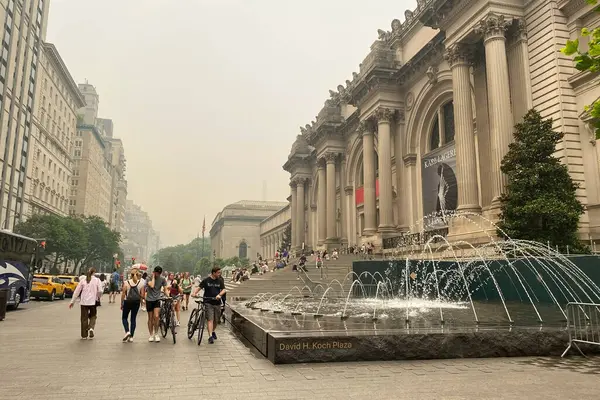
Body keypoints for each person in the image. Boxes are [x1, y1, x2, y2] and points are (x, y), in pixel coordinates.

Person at [69, 267, 103, 340]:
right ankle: (91, 328)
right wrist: (98, 297)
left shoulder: (83, 280)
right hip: (93, 302)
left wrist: (72, 301)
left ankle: (84, 335)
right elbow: (100, 291)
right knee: (93, 316)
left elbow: (77, 291)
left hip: (84, 302)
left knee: (84, 318)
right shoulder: (97, 280)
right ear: (94, 272)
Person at [199, 266, 226, 344]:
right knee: (210, 319)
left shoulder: (220, 280)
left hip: (217, 303)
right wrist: (194, 293)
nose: (219, 274)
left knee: (216, 320)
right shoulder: (206, 280)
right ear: (213, 273)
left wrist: (219, 295)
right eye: (218, 273)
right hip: (208, 302)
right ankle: (210, 336)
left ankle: (213, 331)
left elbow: (224, 289)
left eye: (220, 272)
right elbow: (199, 287)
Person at [120, 268, 145, 343]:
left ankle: (127, 331)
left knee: (124, 317)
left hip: (127, 302)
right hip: (136, 302)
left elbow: (123, 293)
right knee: (133, 319)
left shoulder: (126, 282)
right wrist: (142, 303)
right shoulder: (141, 283)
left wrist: (122, 303)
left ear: (130, 275)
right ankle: (131, 337)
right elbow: (142, 295)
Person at [145, 266, 168, 342]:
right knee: (150, 318)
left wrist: (168, 296)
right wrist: (153, 277)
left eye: (159, 273)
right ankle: (151, 334)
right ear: (154, 272)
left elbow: (165, 288)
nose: (158, 274)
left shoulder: (162, 279)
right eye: (156, 273)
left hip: (157, 299)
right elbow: (151, 285)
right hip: (149, 299)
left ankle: (156, 333)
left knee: (156, 316)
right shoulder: (148, 278)